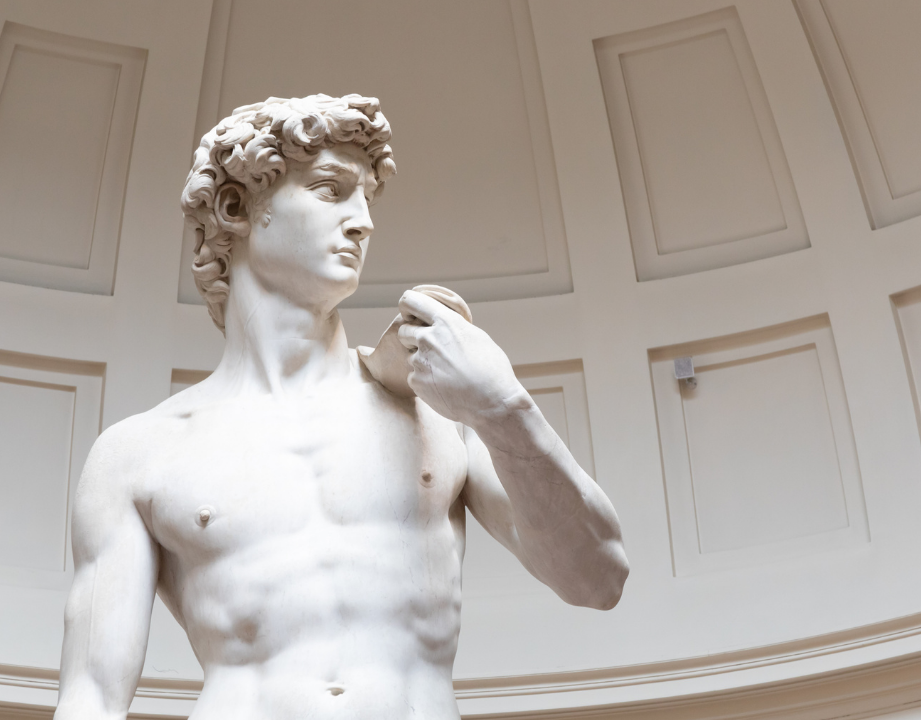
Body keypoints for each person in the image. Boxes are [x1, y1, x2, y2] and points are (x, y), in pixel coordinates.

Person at [53, 94, 628, 720]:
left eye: (367, 200)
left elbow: (598, 579)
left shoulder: (435, 412)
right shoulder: (140, 454)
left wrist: (503, 409)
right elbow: (92, 698)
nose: (363, 222)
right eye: (331, 190)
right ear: (236, 206)